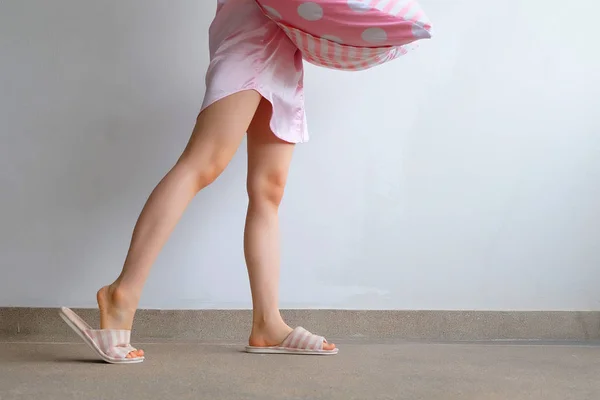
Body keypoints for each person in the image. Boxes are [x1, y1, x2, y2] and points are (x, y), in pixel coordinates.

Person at [60, 0, 431, 363]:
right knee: (202, 163)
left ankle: (267, 323)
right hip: (249, 40)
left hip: (285, 48)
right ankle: (121, 293)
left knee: (269, 190)